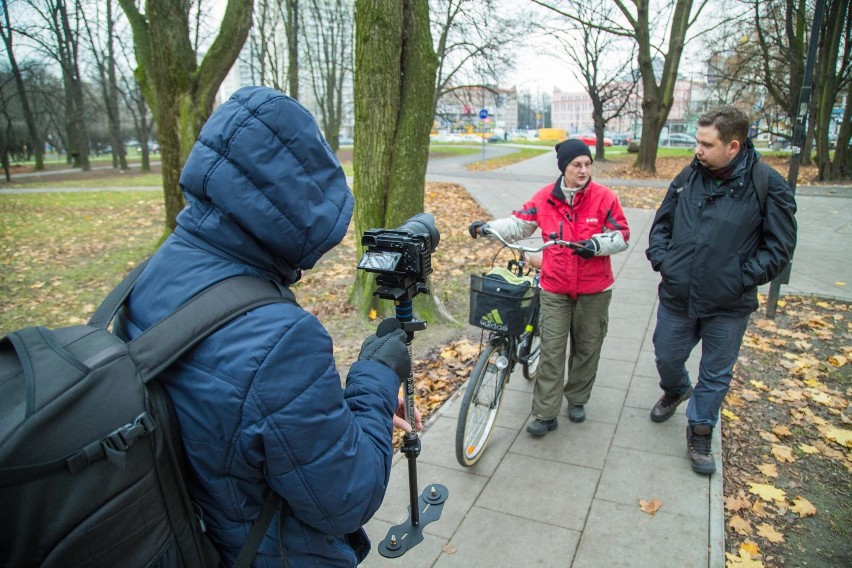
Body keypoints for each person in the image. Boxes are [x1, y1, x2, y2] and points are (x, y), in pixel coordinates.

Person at [117, 86, 421, 567]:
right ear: (301, 201)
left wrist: (350, 411)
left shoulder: (151, 274)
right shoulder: (279, 337)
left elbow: (246, 413)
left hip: (185, 527)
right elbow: (348, 497)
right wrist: (376, 375)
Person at [645, 105, 797, 475]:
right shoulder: (688, 175)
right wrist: (664, 260)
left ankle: (700, 432)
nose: (697, 149)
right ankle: (676, 388)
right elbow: (662, 224)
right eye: (697, 141)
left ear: (733, 145)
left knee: (715, 374)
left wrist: (742, 277)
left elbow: (780, 247)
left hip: (729, 304)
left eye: (705, 144)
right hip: (679, 295)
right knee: (666, 355)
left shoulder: (767, 184)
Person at [469, 139, 630, 436]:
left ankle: (578, 398)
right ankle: (545, 413)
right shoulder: (545, 198)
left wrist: (596, 245)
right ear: (563, 168)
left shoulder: (604, 197)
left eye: (587, 164)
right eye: (576, 165)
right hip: (555, 287)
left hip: (594, 290)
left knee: (587, 347)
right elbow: (519, 224)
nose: (583, 170)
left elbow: (621, 234)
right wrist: (488, 227)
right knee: (552, 351)